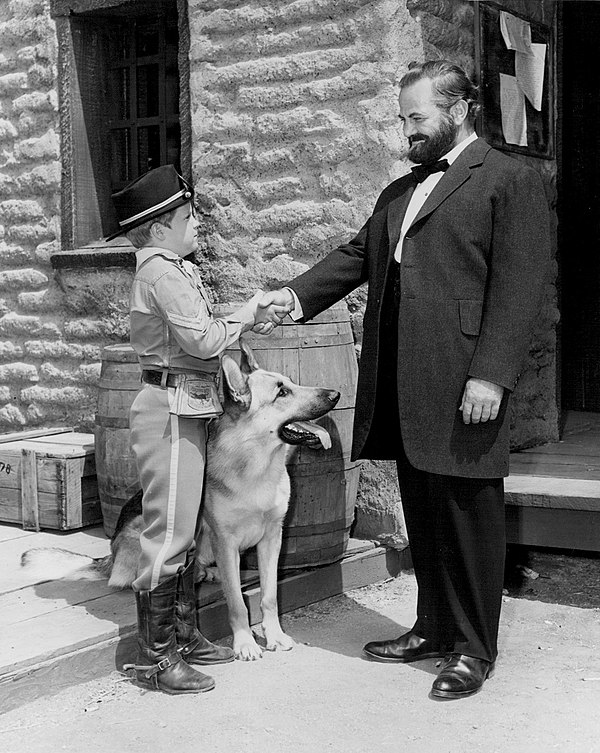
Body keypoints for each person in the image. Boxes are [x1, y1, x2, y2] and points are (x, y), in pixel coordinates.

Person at [258, 60, 549, 699]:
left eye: (417, 118)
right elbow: (356, 257)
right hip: (405, 380)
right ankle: (433, 627)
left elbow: (521, 286)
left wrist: (492, 374)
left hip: (469, 379)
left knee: (469, 514)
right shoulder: (398, 191)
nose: (407, 132)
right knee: (423, 509)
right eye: (403, 119)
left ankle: (474, 650)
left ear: (459, 109)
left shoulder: (511, 178)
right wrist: (291, 297)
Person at [111, 165, 287, 695]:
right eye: (188, 218)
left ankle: (183, 637)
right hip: (168, 409)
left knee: (183, 529)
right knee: (168, 533)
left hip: (183, 405)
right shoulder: (163, 273)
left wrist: (241, 322)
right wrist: (249, 313)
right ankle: (158, 659)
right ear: (161, 227)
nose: (196, 228)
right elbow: (204, 341)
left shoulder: (170, 269)